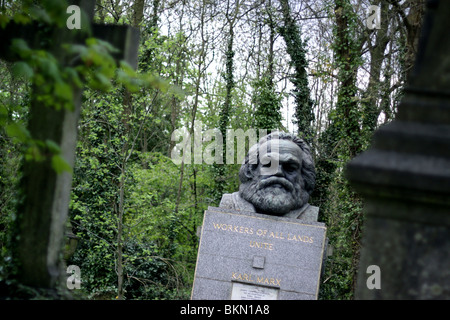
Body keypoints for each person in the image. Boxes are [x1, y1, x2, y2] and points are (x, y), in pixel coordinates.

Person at [219, 132, 318, 221]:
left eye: (290, 168)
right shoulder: (229, 204)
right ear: (251, 170)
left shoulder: (309, 216)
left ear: (304, 177)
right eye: (269, 164)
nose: (278, 172)